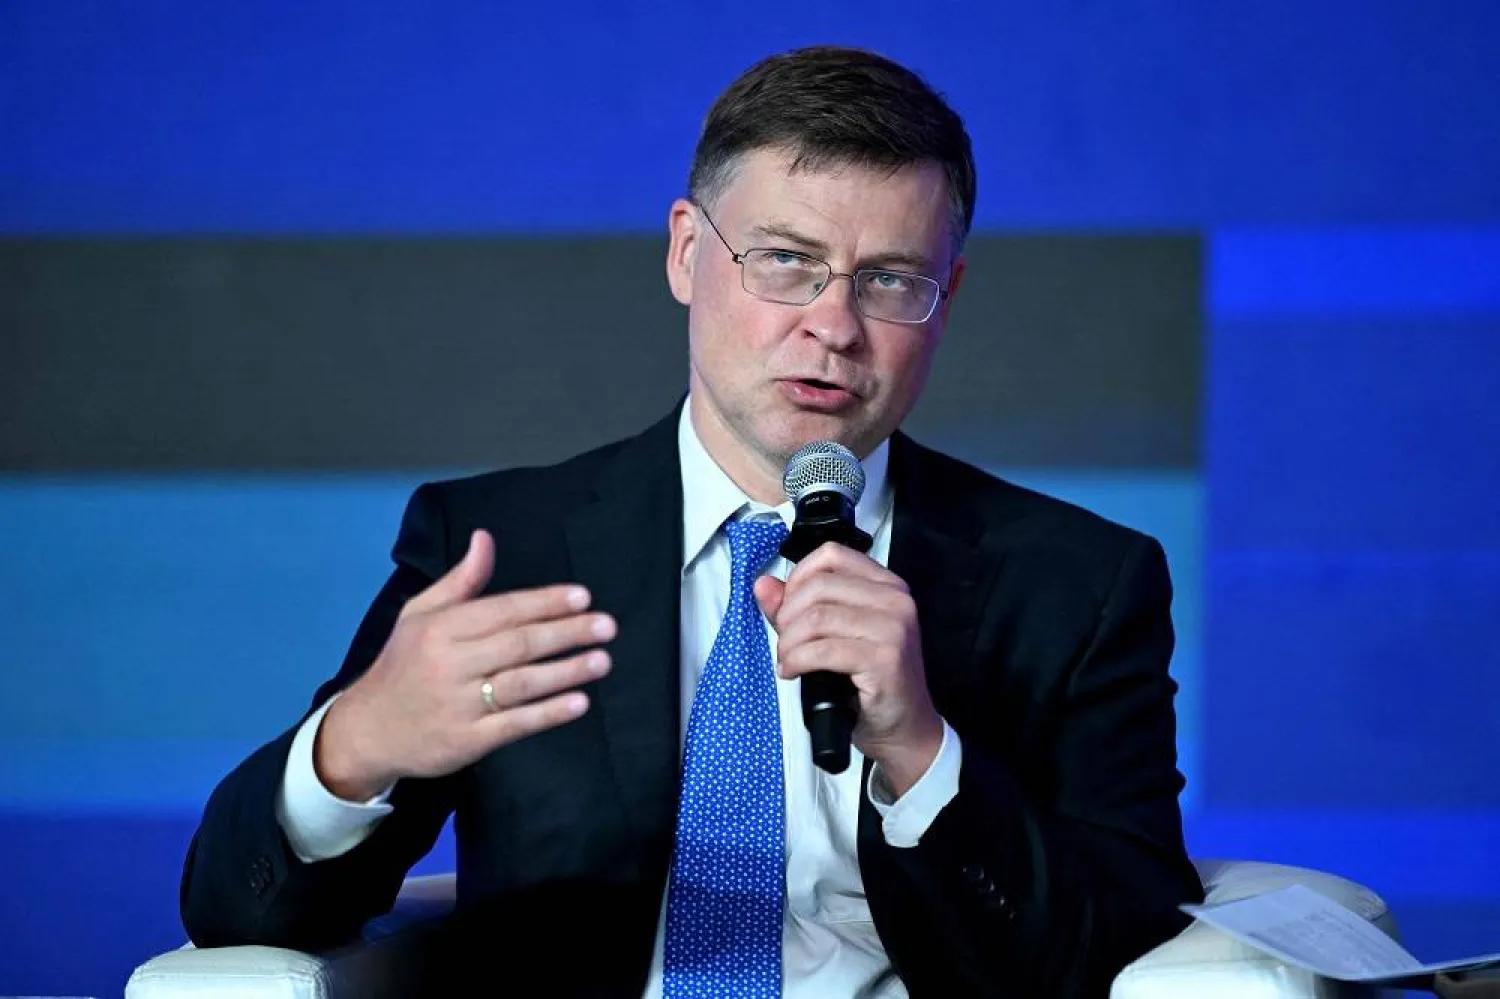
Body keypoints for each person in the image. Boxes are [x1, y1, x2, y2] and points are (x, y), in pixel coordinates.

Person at [180, 44, 1203, 997]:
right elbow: (239, 911)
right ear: (685, 254)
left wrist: (923, 749)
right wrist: (358, 745)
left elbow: (1124, 948)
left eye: (890, 280)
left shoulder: (1079, 583)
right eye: (785, 261)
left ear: (947, 300)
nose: (834, 326)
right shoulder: (498, 548)